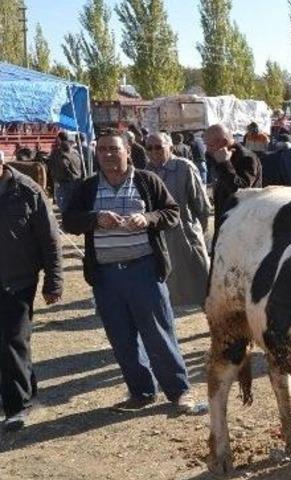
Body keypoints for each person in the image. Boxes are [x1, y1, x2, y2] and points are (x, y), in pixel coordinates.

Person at [62, 130, 201, 414]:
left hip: (144, 271)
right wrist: (95, 219)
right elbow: (69, 221)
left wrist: (147, 218)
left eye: (114, 149)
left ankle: (179, 391)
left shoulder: (147, 181)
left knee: (159, 335)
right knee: (122, 338)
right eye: (102, 150)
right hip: (106, 276)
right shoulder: (88, 187)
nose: (108, 155)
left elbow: (172, 213)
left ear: (128, 151)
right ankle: (141, 392)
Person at [0, 150, 63, 432]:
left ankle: (19, 406)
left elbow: (50, 240)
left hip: (18, 280)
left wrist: (54, 281)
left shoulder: (27, 190)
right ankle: (22, 393)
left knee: (13, 341)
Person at [144, 132, 210, 309]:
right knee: (167, 282)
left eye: (158, 147)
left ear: (170, 148)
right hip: (160, 236)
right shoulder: (146, 172)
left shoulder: (184, 167)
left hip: (185, 231)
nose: (153, 152)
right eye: (149, 148)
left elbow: (202, 204)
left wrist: (197, 229)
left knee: (201, 278)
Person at [205, 124, 261, 232]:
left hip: (242, 222)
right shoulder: (215, 155)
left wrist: (225, 164)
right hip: (224, 218)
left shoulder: (246, 158)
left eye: (210, 145)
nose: (207, 149)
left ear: (224, 142)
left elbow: (241, 191)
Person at [48, 131, 84, 212]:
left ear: (59, 139)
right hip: (77, 178)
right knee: (75, 202)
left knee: (64, 204)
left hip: (65, 181)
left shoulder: (59, 152)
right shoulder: (75, 151)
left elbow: (63, 164)